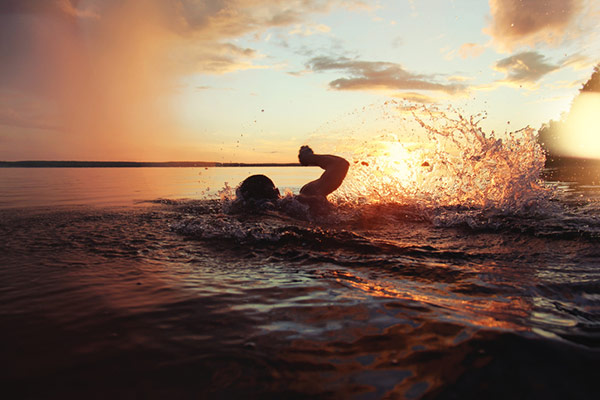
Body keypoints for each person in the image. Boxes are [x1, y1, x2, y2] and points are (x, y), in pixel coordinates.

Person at [233, 145, 349, 216]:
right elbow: (340, 164)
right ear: (277, 192)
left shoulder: (243, 215)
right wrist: (308, 158)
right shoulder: (303, 198)